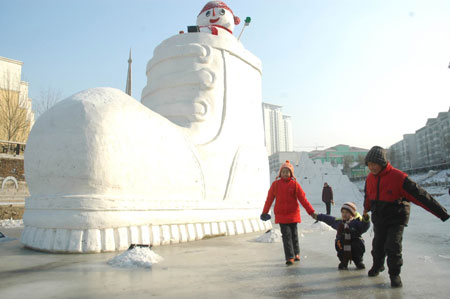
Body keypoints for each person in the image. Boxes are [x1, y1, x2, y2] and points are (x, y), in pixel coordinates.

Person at [363, 146, 449, 288]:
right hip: (379, 218)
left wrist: (441, 213)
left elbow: (421, 196)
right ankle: (378, 266)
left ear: (382, 163)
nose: (371, 167)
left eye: (374, 164)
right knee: (377, 246)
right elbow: (368, 196)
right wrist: (366, 209)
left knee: (393, 247)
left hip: (396, 219)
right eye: (369, 164)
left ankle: (394, 275)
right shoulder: (370, 178)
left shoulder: (399, 178)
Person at [260, 160, 316, 265]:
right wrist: (265, 212)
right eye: (283, 171)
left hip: (293, 214)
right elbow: (269, 199)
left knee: (294, 235)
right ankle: (290, 256)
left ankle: (296, 253)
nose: (285, 174)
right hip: (281, 216)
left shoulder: (295, 185)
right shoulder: (275, 185)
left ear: (291, 173)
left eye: (287, 171)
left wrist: (311, 212)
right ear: (280, 173)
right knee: (286, 236)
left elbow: (303, 199)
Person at [312, 202, 370, 270]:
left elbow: (364, 226)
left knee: (357, 244)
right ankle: (343, 261)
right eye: (343, 212)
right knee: (340, 242)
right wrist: (317, 216)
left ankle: (358, 261)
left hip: (355, 244)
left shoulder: (356, 223)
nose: (344, 214)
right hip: (342, 245)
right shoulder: (339, 222)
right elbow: (328, 218)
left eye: (347, 213)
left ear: (352, 214)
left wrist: (365, 218)